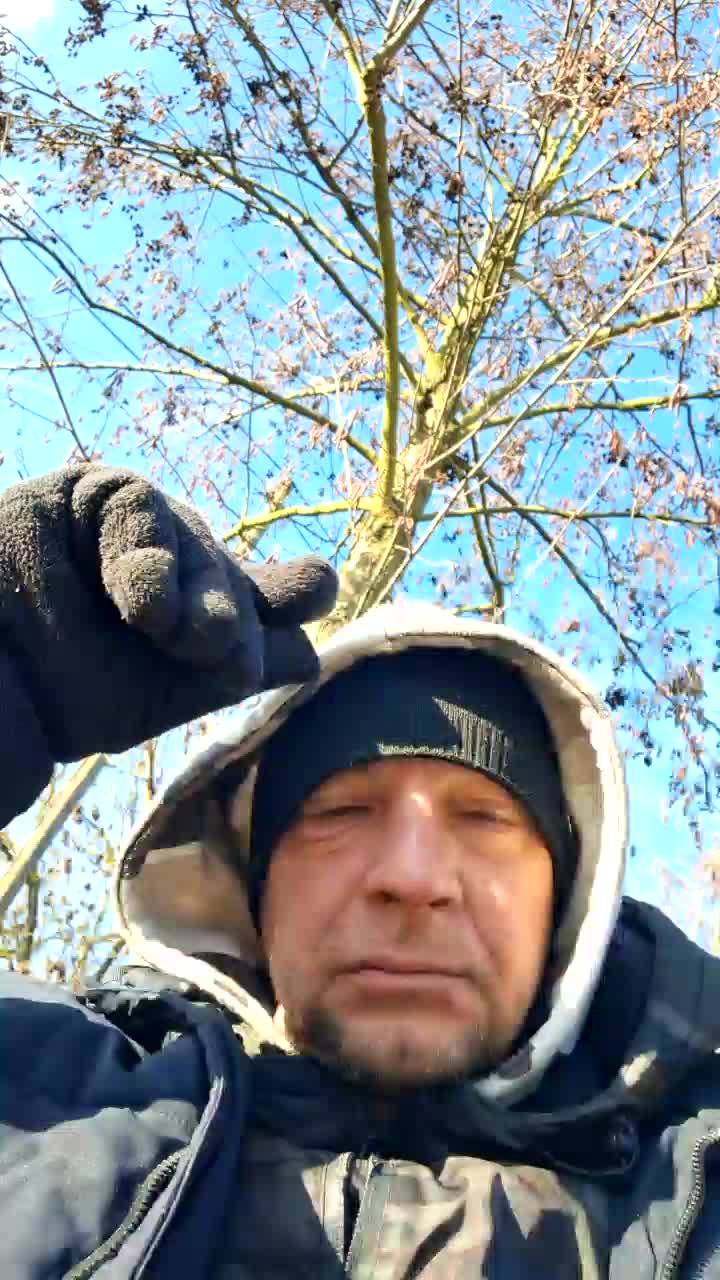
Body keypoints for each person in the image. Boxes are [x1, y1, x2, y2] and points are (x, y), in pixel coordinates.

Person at [0, 465, 719, 1280]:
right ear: (254, 889)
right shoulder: (41, 1089)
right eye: (341, 812)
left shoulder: (699, 1172)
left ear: (566, 897)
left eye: (484, 819)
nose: (413, 878)